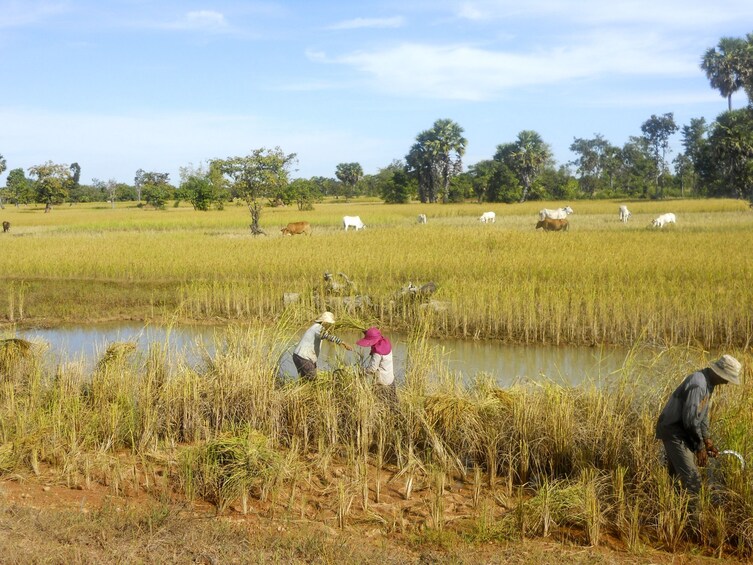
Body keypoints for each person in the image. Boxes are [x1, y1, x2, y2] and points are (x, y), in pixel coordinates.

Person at [655, 354, 742, 495]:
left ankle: (674, 511)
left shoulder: (708, 383)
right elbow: (689, 420)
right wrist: (699, 447)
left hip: (681, 431)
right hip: (675, 432)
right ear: (719, 373)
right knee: (693, 482)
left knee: (675, 478)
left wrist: (707, 441)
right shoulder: (698, 383)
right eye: (727, 378)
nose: (727, 383)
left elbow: (702, 416)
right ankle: (692, 517)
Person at [293, 312, 351, 380]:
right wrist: (342, 342)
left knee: (305, 379)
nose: (330, 325)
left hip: (300, 356)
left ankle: (302, 390)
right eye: (329, 324)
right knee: (312, 378)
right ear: (324, 322)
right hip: (303, 357)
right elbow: (326, 336)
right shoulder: (318, 328)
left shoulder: (318, 328)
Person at [356, 326, 397, 403]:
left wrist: (362, 372)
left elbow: (372, 369)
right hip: (390, 379)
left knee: (379, 404)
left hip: (381, 383)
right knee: (393, 403)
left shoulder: (377, 353)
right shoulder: (386, 343)